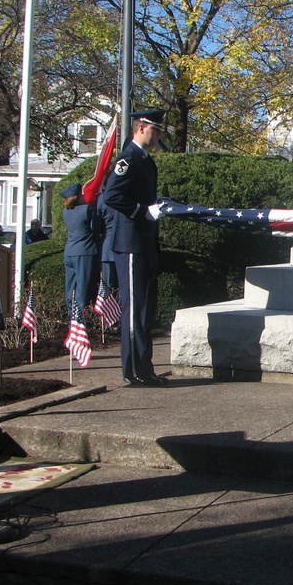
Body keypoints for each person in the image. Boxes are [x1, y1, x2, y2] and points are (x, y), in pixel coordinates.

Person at [101, 109, 168, 387]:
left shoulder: (145, 160)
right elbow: (112, 196)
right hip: (130, 244)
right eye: (156, 130)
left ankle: (144, 366)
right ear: (142, 128)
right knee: (133, 310)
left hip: (144, 243)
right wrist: (143, 212)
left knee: (145, 310)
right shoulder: (128, 158)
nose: (158, 136)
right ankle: (134, 370)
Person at [61, 182, 101, 319]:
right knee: (82, 289)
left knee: (70, 288)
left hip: (69, 252)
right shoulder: (86, 210)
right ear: (78, 196)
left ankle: (71, 318)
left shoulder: (66, 212)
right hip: (84, 252)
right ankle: (80, 319)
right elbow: (96, 227)